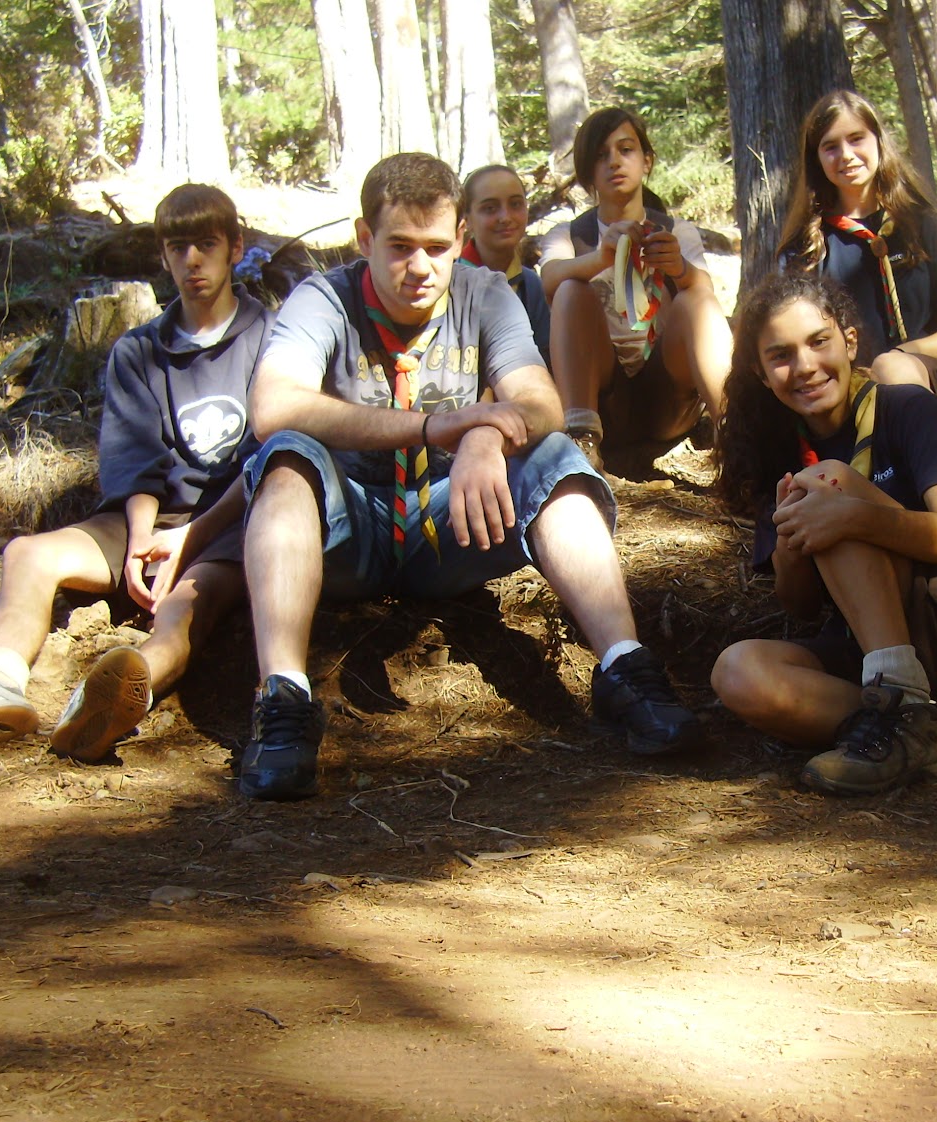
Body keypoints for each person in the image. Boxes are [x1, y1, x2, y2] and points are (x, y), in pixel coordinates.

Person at [237, 152, 699, 802]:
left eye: (435, 247)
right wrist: (435, 427)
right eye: (399, 246)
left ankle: (626, 667)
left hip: (451, 518)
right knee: (287, 458)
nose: (419, 267)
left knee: (556, 457)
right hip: (350, 525)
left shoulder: (485, 292)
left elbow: (540, 401)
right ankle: (283, 699)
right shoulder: (324, 298)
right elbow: (273, 407)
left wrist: (485, 432)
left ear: (460, 238)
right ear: (364, 238)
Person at [0, 184, 271, 761]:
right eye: (178, 248)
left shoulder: (272, 338)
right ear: (162, 255)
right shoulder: (137, 350)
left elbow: (267, 457)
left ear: (236, 247)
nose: (193, 261)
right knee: (28, 554)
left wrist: (191, 539)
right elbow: (137, 463)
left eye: (207, 244)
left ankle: (110, 700)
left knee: (182, 611)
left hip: (230, 524)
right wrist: (141, 541)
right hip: (147, 522)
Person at [710, 273, 937, 795]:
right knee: (737, 672)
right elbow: (801, 607)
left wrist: (851, 516)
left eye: (818, 342)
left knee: (830, 483)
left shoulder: (906, 408)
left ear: (849, 342)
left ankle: (903, 707)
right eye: (780, 356)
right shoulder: (775, 450)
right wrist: (790, 546)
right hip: (868, 647)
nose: (804, 366)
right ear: (759, 372)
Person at [777, 89, 937, 480]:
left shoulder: (924, 227)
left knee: (892, 370)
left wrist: (902, 354)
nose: (846, 155)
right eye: (830, 146)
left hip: (925, 377)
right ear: (816, 159)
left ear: (879, 142)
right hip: (838, 392)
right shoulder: (806, 247)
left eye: (856, 139)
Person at [538, 106, 731, 466]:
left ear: (646, 161)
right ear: (587, 174)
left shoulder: (677, 232)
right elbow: (549, 279)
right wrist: (601, 258)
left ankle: (734, 431)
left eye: (625, 150)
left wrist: (679, 268)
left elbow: (706, 294)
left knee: (696, 298)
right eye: (601, 155)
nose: (614, 162)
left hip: (668, 398)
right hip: (602, 399)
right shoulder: (568, 235)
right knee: (570, 289)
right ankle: (581, 440)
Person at [459, 164, 550, 365]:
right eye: (490, 208)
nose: (505, 217)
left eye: (515, 204)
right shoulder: (451, 283)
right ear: (467, 220)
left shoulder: (531, 285)